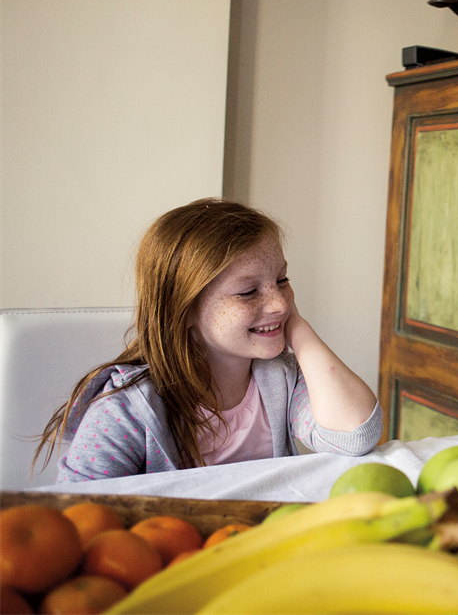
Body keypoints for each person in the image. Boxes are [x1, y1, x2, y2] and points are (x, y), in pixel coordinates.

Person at [35, 198, 382, 481]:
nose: (278, 303)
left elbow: (355, 435)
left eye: (282, 279)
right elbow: (76, 510)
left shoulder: (282, 380)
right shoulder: (126, 409)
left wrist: (297, 327)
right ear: (184, 311)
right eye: (248, 292)